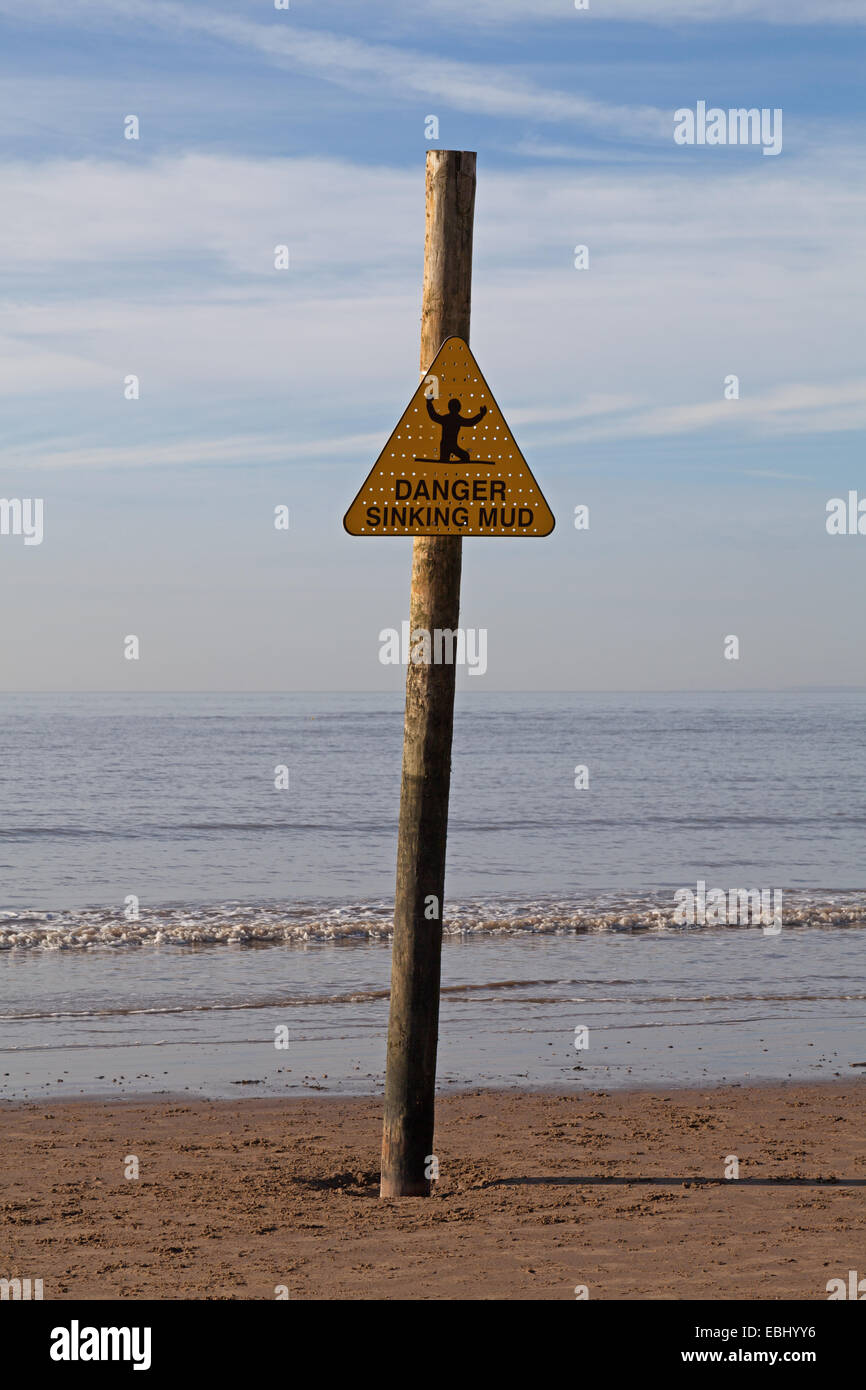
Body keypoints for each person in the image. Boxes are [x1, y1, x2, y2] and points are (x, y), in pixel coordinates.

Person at [425, 396, 487, 462]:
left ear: (449, 407)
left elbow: (434, 416)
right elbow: (470, 422)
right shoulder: (457, 419)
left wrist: (429, 403)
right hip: (450, 446)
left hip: (446, 445)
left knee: (445, 461)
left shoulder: (447, 418)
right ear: (459, 408)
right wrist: (481, 415)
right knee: (465, 456)